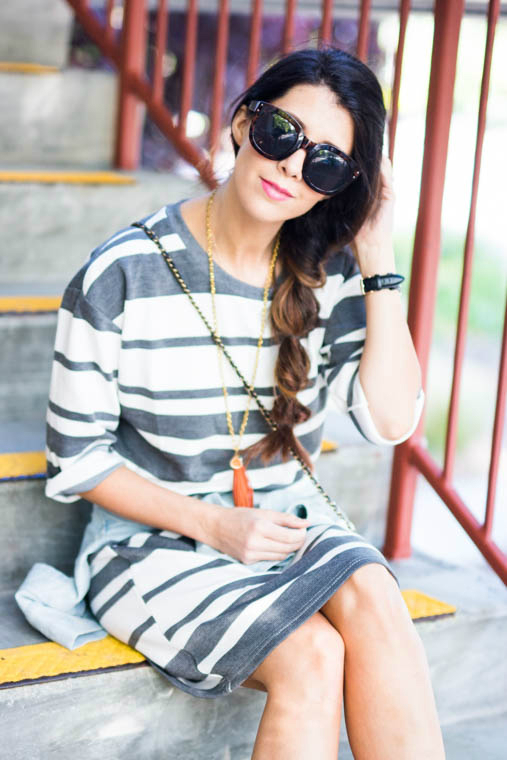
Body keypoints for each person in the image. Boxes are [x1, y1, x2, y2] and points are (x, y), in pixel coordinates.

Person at [16, 46, 445, 758]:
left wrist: (378, 261)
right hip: (149, 545)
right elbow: (78, 462)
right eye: (282, 134)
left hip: (282, 526)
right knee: (310, 658)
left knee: (374, 591)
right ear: (245, 122)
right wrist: (215, 527)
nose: (290, 166)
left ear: (338, 187)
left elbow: (392, 421)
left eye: (325, 163)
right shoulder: (122, 272)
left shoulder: (326, 274)